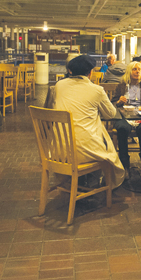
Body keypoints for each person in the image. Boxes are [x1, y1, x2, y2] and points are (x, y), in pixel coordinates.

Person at [53, 55, 125, 188]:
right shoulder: (96, 90)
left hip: (59, 150)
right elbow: (110, 114)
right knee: (99, 145)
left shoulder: (59, 86)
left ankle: (77, 183)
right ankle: (91, 190)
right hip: (83, 152)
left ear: (70, 71)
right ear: (90, 72)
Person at [112, 61, 141, 170]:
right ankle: (124, 163)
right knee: (122, 128)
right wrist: (119, 101)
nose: (137, 71)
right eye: (134, 69)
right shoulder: (122, 86)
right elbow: (112, 104)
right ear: (129, 71)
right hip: (124, 117)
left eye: (139, 69)